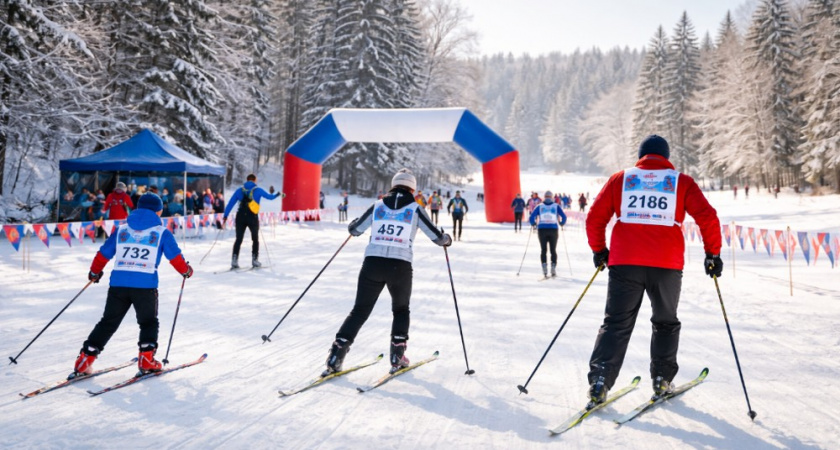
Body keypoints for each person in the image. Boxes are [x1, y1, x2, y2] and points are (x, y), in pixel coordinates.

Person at [584, 135, 722, 405]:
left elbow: (594, 218)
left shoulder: (621, 179)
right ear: (666, 157)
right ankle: (662, 380)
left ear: (641, 156)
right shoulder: (681, 182)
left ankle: (600, 381)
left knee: (616, 323)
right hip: (666, 265)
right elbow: (707, 217)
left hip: (625, 262)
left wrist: (599, 250)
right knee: (665, 322)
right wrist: (712, 253)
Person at [324, 169, 452, 375]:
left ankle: (336, 355)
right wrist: (447, 239)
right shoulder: (415, 208)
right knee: (401, 310)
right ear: (412, 188)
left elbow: (355, 230)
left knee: (359, 311)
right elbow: (437, 237)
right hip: (399, 266)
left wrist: (351, 225)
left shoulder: (378, 206)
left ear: (393, 185)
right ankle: (397, 356)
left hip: (372, 264)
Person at [71, 193, 194, 378]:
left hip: (118, 285)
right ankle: (146, 359)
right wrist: (186, 271)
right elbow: (175, 257)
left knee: (108, 322)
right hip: (145, 286)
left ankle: (85, 359)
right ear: (158, 211)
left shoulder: (121, 230)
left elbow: (104, 253)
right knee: (148, 322)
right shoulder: (161, 233)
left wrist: (95, 272)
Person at [223, 174, 284, 269]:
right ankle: (255, 260)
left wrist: (225, 216)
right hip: (252, 217)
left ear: (247, 180)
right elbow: (270, 197)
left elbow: (231, 203)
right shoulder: (258, 190)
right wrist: (277, 194)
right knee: (255, 239)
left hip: (240, 216)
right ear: (254, 180)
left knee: (238, 239)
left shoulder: (239, 190)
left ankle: (234, 260)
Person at [528, 191, 567, 277]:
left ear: (544, 197)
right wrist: (561, 223)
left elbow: (531, 217)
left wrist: (533, 223)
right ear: (552, 197)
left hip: (542, 230)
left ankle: (544, 268)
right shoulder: (556, 206)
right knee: (553, 250)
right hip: (553, 230)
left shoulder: (539, 206)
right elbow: (564, 216)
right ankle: (553, 267)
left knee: (543, 250)